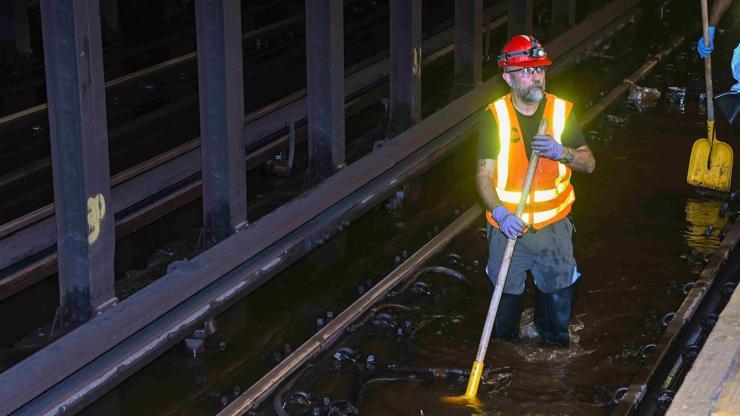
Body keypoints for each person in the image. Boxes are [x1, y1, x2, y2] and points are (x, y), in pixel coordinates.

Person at [476, 35, 596, 346]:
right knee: (502, 328)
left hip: (553, 231)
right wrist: (501, 214)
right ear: (508, 77)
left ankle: (550, 376)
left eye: (540, 70)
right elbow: (483, 176)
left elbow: (589, 163)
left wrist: (562, 153)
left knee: (557, 331)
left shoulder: (559, 112)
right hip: (507, 231)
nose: (537, 76)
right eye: (528, 71)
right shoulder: (495, 117)